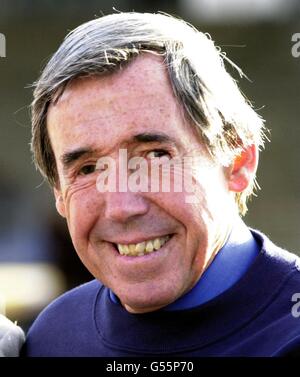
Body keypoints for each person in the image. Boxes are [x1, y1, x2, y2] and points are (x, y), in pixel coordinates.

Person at [22, 12, 300, 357]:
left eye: (155, 156)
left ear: (238, 162)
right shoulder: (52, 337)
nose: (122, 206)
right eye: (89, 168)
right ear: (59, 194)